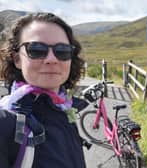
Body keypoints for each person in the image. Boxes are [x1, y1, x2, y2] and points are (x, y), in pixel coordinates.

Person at [0, 12, 89, 168]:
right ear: (17, 59)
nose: (51, 59)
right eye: (36, 49)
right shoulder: (6, 123)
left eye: (62, 50)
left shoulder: (65, 108)